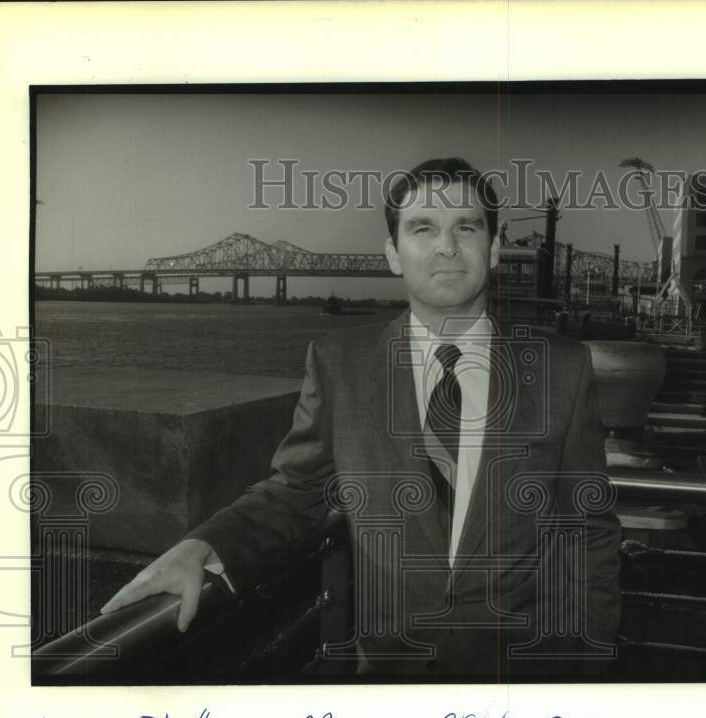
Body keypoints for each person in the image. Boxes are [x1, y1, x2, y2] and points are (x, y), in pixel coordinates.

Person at [102, 157, 622, 681]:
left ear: (495, 244)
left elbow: (587, 533)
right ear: (393, 254)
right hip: (389, 679)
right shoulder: (339, 364)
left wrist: (589, 672)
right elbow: (296, 491)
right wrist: (202, 546)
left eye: (466, 226)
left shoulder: (562, 368)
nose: (447, 246)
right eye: (423, 228)